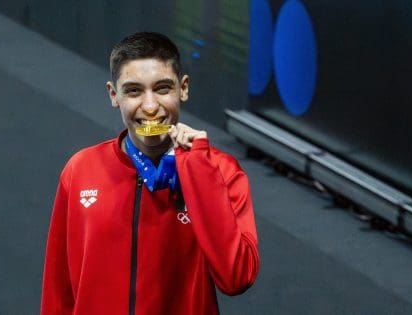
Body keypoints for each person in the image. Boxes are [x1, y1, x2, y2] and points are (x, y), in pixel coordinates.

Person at [41, 31, 259, 315]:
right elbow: (59, 290)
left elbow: (237, 277)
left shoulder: (222, 171)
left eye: (162, 88)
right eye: (133, 91)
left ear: (183, 88)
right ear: (113, 95)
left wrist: (198, 171)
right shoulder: (81, 170)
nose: (150, 106)